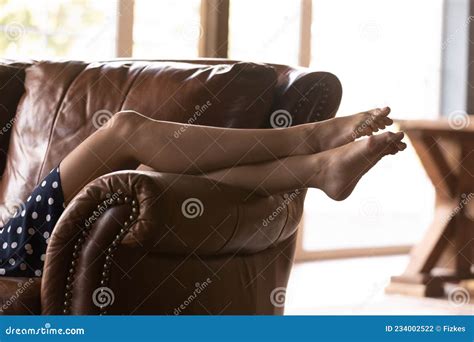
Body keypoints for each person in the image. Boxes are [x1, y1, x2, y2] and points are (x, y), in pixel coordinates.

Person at [0, 107, 405, 277]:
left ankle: (318, 168)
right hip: (9, 254)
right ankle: (310, 142)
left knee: (148, 180)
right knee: (126, 129)